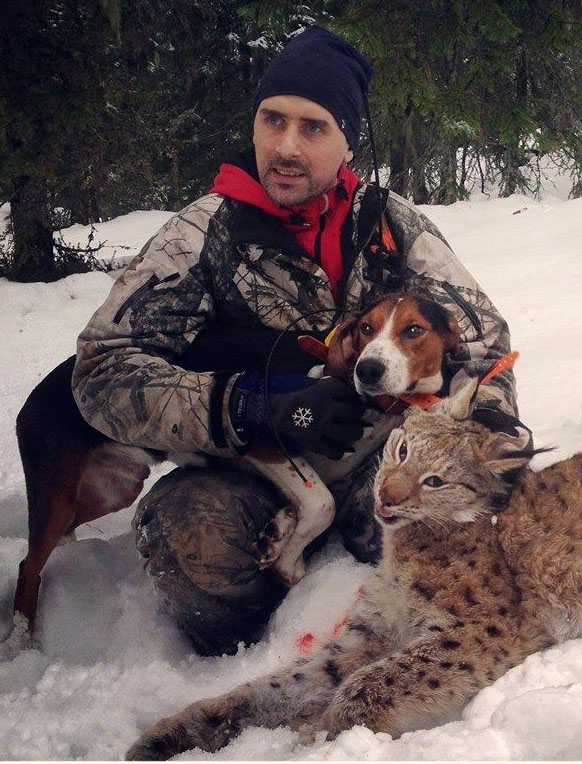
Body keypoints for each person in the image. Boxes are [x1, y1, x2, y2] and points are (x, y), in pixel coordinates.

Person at [72, 26, 529, 656]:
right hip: (250, 467)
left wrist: (486, 430)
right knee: (191, 541)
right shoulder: (201, 235)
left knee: (461, 521)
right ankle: (261, 652)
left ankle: (421, 631)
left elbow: (482, 340)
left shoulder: (388, 223)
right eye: (272, 120)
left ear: (347, 142)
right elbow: (102, 371)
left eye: (312, 127)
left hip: (377, 454)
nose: (286, 146)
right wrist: (244, 407)